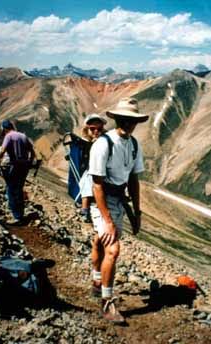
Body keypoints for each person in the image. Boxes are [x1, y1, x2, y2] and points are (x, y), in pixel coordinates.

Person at [88, 98, 149, 323]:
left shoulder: (133, 145)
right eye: (124, 119)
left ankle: (97, 280)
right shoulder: (103, 144)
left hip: (118, 199)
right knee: (112, 249)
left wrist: (137, 212)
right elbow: (97, 185)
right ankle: (106, 302)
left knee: (100, 240)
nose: (128, 123)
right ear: (118, 119)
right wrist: (108, 220)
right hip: (101, 200)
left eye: (132, 120)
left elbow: (133, 179)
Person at [0, 119, 35, 225]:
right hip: (24, 166)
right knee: (19, 189)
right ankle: (20, 214)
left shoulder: (8, 136)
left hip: (15, 166)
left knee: (11, 190)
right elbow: (32, 151)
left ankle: (17, 217)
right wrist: (29, 163)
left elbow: (3, 150)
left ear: (4, 129)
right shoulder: (23, 136)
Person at [78, 114, 107, 223]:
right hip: (91, 170)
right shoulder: (84, 143)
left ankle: (87, 208)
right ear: (87, 129)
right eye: (92, 129)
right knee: (88, 180)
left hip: (103, 170)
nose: (96, 131)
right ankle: (85, 209)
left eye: (99, 129)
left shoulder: (105, 142)